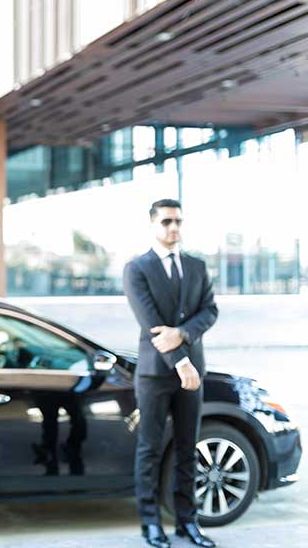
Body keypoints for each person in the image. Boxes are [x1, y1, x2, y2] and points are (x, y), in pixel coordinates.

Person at [123, 199, 218, 548]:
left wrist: (183, 334)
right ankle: (150, 523)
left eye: (178, 221)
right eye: (166, 222)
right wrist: (181, 361)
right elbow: (151, 325)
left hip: (192, 372)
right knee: (148, 449)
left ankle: (187, 522)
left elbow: (210, 310)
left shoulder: (196, 266)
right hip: (155, 374)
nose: (173, 228)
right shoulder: (136, 268)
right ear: (152, 225)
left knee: (187, 449)